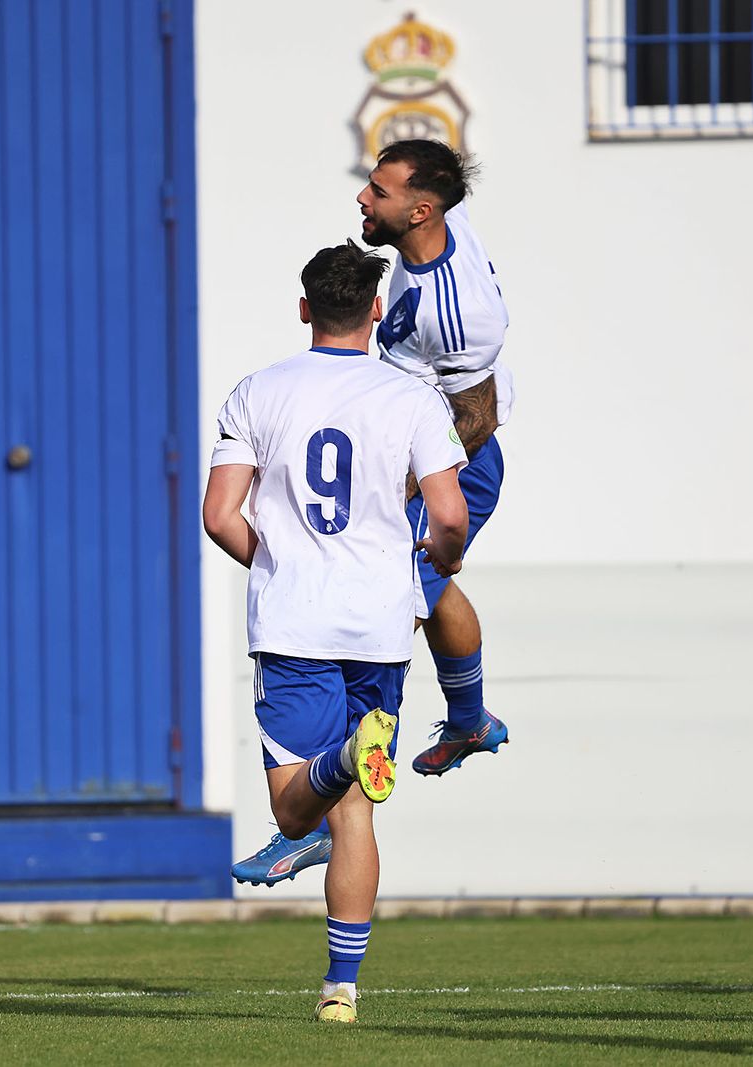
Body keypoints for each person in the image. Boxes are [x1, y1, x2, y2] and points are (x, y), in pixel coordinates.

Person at [232, 139, 512, 888]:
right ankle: (467, 719)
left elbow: (475, 414)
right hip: (415, 457)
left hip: (453, 462)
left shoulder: (458, 313)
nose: (363, 198)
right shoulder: (422, 254)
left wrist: (407, 486)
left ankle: (316, 823)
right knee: (425, 590)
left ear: (420, 210)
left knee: (409, 587)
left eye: (378, 191)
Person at [203, 241, 467, 1023]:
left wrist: (277, 562)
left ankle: (351, 754)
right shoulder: (413, 397)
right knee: (355, 810)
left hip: (294, 622)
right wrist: (440, 556)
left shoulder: (258, 392)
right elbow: (448, 514)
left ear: (304, 308)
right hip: (379, 628)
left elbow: (220, 515)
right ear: (377, 311)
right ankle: (340, 989)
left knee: (295, 812)